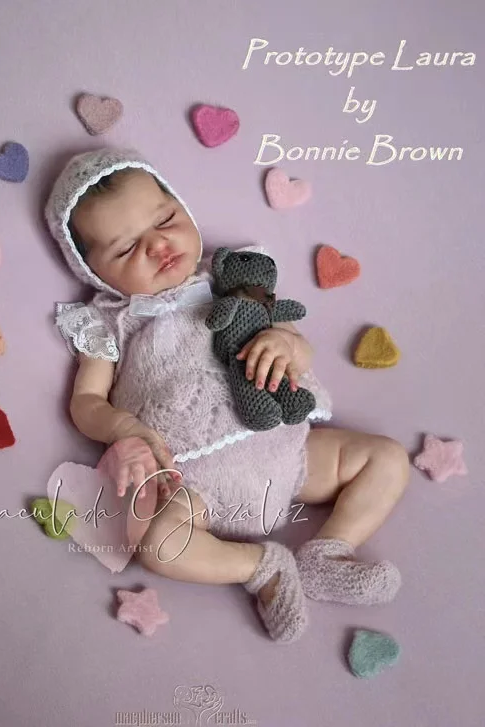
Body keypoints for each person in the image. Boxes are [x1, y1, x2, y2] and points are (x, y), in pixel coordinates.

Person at [45, 147, 409, 644]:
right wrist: (123, 429)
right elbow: (86, 403)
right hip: (192, 481)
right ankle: (261, 567)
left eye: (166, 220)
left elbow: (298, 346)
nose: (157, 245)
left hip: (288, 448)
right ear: (94, 273)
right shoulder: (111, 322)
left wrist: (285, 345)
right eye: (127, 249)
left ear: (183, 208)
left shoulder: (233, 281)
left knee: (387, 459)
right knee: (159, 546)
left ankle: (329, 553)